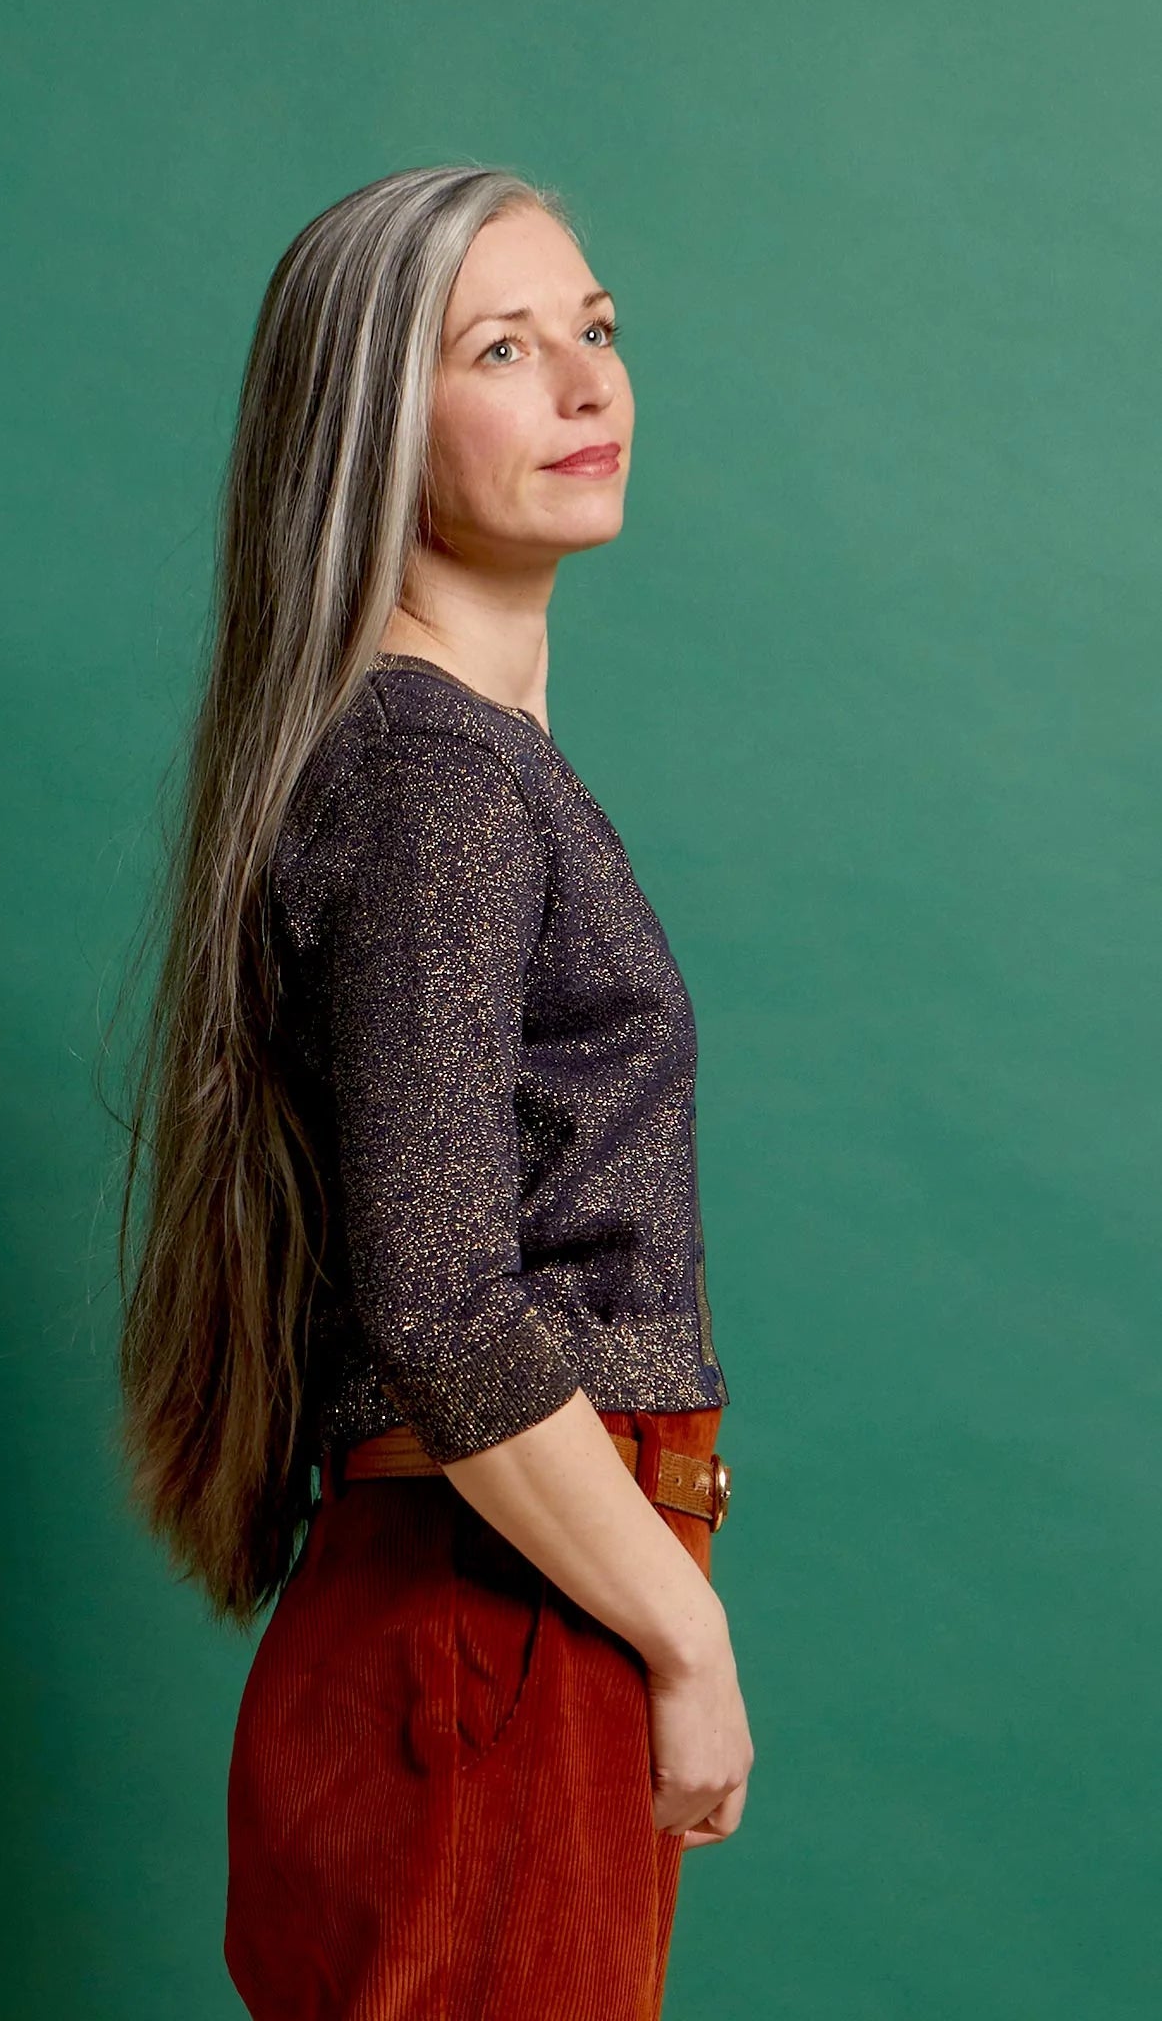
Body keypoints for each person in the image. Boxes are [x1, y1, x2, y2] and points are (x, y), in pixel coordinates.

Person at [110, 163, 754, 2019]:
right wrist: (684, 1632)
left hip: (506, 1612)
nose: (588, 383)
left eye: (596, 329)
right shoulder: (436, 779)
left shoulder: (449, 762)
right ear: (369, 426)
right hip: (503, 1624)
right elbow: (448, 1304)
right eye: (501, 349)